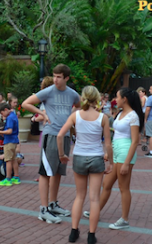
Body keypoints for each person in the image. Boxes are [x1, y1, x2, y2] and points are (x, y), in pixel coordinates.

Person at [22, 64, 81, 224]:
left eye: (59, 77)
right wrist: (42, 113)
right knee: (45, 173)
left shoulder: (72, 94)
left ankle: (53, 204)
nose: (55, 79)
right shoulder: (48, 91)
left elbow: (80, 106)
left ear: (66, 78)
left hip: (65, 136)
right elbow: (26, 103)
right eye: (54, 76)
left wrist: (73, 119)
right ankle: (43, 209)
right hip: (51, 136)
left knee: (57, 172)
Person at [83, 87, 144, 232]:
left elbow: (135, 141)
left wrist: (127, 163)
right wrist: (109, 154)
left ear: (125, 99)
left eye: (117, 97)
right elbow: (116, 135)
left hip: (125, 152)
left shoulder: (133, 116)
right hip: (117, 150)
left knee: (123, 187)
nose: (115, 100)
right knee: (107, 184)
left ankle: (124, 219)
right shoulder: (121, 113)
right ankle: (95, 212)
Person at [57, 86, 112, 244]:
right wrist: (112, 163)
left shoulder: (76, 116)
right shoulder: (103, 118)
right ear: (97, 98)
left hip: (80, 156)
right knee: (94, 199)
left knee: (79, 196)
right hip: (96, 157)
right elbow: (108, 144)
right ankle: (91, 235)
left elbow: (60, 135)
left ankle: (74, 232)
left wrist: (62, 155)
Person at [0, 102, 21, 186]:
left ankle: (8, 178)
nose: (3, 116)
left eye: (2, 113)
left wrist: (0, 132)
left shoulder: (9, 118)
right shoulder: (14, 115)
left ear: (6, 110)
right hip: (14, 141)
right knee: (14, 159)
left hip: (9, 141)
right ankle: (16, 177)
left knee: (8, 160)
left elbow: (9, 131)